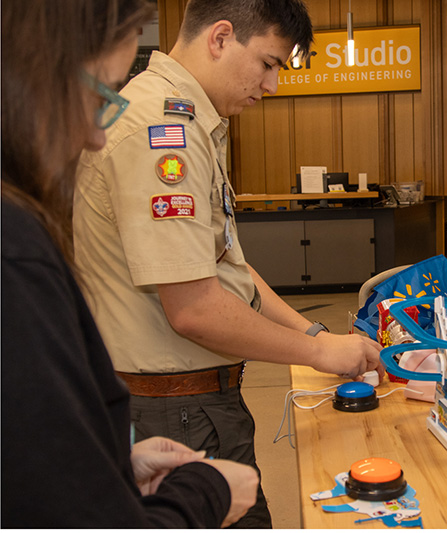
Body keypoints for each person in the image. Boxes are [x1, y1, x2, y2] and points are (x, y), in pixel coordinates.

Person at [72, 0, 384, 527]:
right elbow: (194, 309)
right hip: (177, 414)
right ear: (220, 38)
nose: (272, 85)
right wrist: (317, 353)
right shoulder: (161, 130)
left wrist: (313, 333)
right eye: (268, 63)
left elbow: (227, 267)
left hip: (194, 403)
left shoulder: (190, 119)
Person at [1, 0, 260, 528]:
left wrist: (108, 463)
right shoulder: (16, 251)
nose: (95, 136)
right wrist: (206, 492)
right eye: (100, 93)